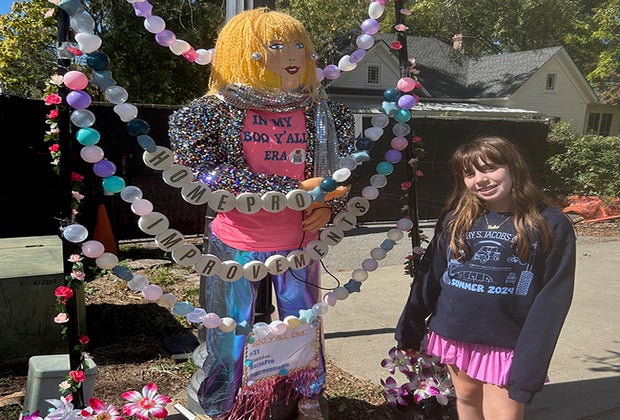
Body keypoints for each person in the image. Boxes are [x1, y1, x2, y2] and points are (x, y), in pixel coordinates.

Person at [169, 8, 355, 420]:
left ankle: (306, 397)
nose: (293, 55)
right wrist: (290, 191)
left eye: (299, 45)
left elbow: (343, 173)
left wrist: (329, 205)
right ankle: (220, 404)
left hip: (300, 243)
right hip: (237, 242)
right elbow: (205, 171)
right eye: (276, 45)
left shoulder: (325, 112)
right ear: (243, 50)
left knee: (302, 326)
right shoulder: (208, 113)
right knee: (227, 330)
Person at [395, 135, 576, 419]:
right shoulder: (455, 219)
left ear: (514, 167)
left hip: (508, 342)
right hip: (454, 332)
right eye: (470, 173)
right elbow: (429, 279)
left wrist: (531, 363)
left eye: (490, 168)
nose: (480, 179)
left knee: (503, 413)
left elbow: (553, 300)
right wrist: (409, 329)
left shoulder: (549, 224)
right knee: (466, 398)